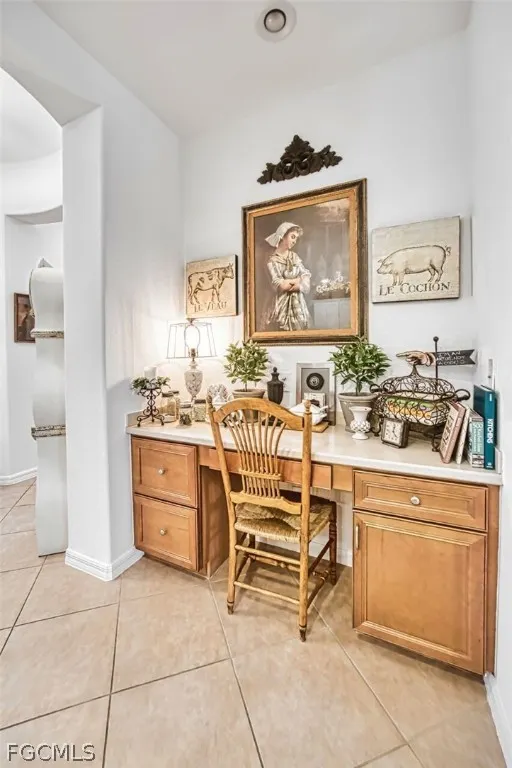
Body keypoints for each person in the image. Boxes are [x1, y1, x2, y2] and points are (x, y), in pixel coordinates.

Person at [265, 222, 311, 331]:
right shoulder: (273, 260)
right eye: (292, 237)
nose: (294, 241)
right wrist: (299, 280)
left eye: (296, 238)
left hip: (299, 303)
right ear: (283, 236)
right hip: (282, 304)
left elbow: (306, 276)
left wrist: (299, 282)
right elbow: (281, 285)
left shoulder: (295, 257)